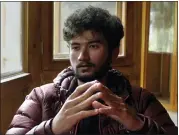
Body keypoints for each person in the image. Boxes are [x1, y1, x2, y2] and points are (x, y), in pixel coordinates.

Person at [6, 6, 177, 135]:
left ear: (114, 52)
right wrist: (52, 127)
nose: (82, 57)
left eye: (93, 46)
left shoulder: (140, 99)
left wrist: (139, 125)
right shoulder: (42, 97)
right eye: (75, 47)